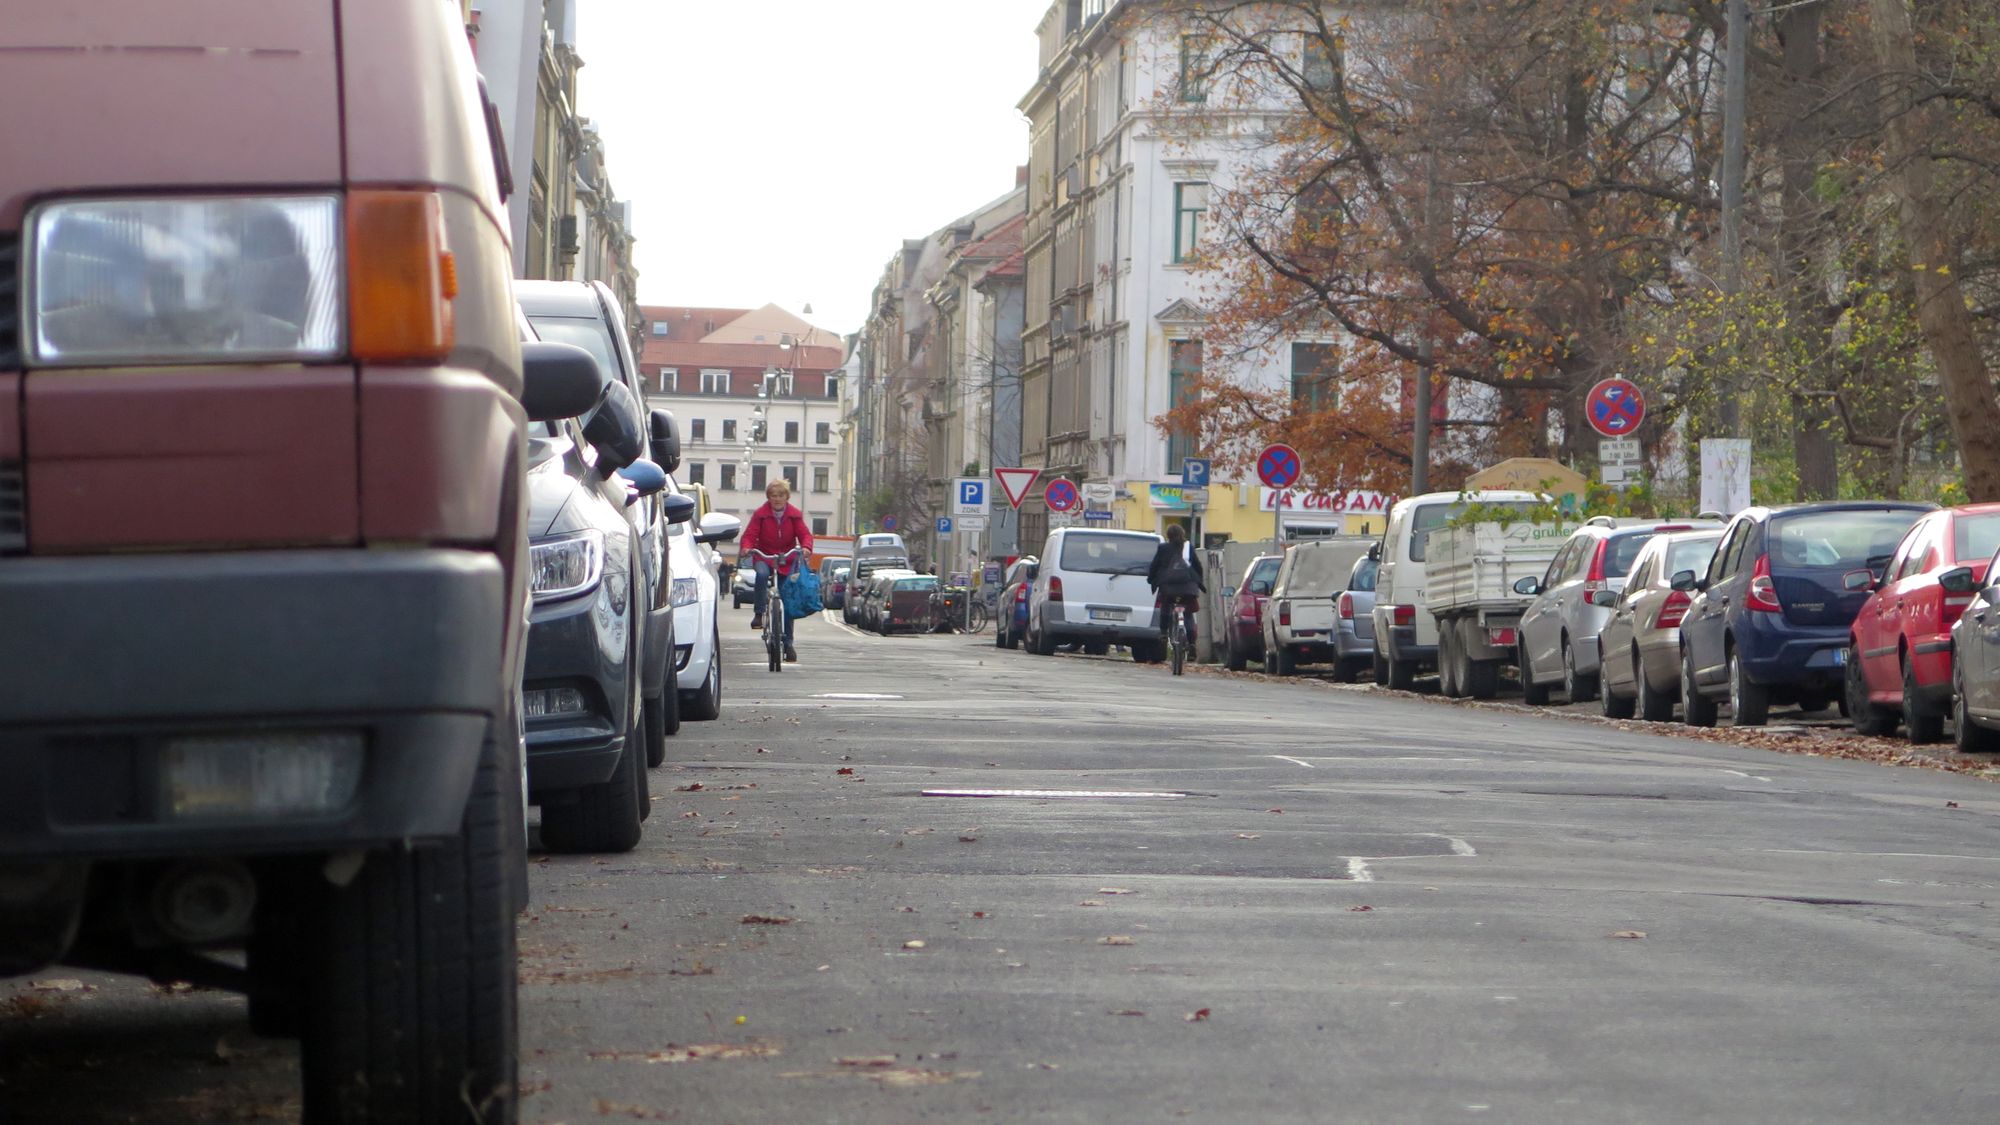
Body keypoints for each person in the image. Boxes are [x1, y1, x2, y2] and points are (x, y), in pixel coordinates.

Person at [739, 479, 814, 662]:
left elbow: (804, 534)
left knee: (788, 602)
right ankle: (758, 613)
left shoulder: (794, 515)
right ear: (768, 497)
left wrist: (805, 547)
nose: (777, 499)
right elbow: (750, 535)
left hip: (786, 559)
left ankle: (788, 644)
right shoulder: (760, 515)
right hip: (763, 556)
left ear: (787, 497)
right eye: (773, 495)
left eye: (781, 495)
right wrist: (747, 548)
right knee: (762, 574)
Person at [1146, 524, 1205, 644]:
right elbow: (1198, 567)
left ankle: (1163, 632)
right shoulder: (1188, 548)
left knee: (1165, 606)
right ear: (1182, 534)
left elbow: (1154, 566)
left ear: (1168, 536)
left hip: (1168, 589)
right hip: (1189, 589)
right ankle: (1192, 643)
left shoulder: (1163, 548)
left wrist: (1151, 579)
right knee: (1188, 614)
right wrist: (1199, 581)